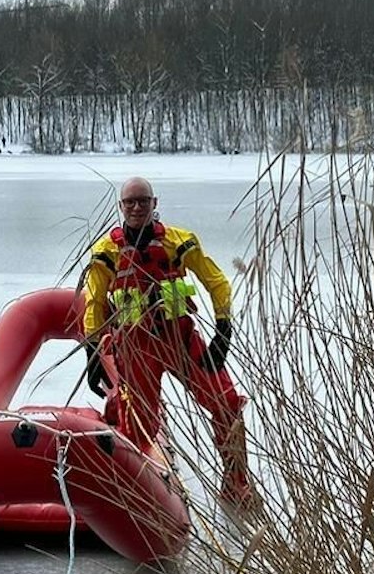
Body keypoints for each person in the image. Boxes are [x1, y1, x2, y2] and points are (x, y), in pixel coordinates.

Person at [80, 176, 255, 507]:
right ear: (121, 207)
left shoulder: (180, 242)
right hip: (136, 346)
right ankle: (134, 492)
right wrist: (92, 352)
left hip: (180, 339)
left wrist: (223, 330)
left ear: (154, 203)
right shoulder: (106, 252)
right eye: (129, 202)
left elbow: (217, 282)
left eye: (142, 201)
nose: (136, 208)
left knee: (226, 403)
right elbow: (94, 303)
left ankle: (236, 485)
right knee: (139, 426)